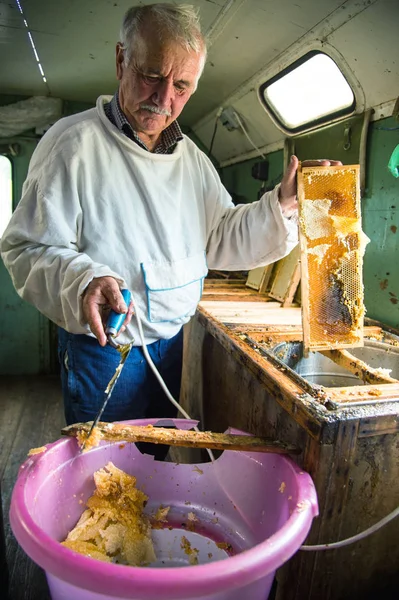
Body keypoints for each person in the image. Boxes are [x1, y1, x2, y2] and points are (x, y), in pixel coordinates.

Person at [1, 4, 340, 455]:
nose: (164, 99)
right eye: (151, 75)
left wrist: (283, 202)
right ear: (122, 60)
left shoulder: (192, 160)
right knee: (105, 472)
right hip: (104, 350)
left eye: (181, 85)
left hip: (168, 343)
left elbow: (220, 235)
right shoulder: (72, 144)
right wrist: (81, 280)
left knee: (153, 461)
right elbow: (27, 248)